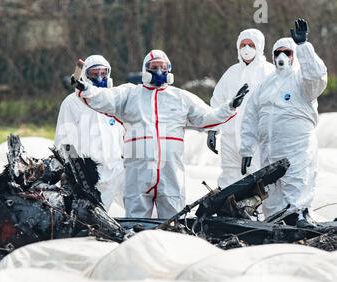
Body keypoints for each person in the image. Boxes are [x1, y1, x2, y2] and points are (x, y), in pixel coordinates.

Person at [73, 50, 249, 219]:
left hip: (170, 173)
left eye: (163, 67)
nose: (159, 71)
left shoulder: (181, 97)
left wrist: (230, 106)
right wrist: (85, 88)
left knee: (172, 223)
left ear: (169, 70)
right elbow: (105, 98)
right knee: (136, 223)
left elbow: (207, 117)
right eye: (154, 66)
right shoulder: (130, 94)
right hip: (138, 171)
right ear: (145, 70)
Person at [239, 19, 328, 227]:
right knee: (271, 189)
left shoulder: (302, 81)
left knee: (297, 179)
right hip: (269, 148)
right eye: (277, 52)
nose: (281, 57)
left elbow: (317, 76)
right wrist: (246, 149)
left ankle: (298, 216)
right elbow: (251, 116)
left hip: (296, 146)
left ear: (293, 56)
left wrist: (303, 46)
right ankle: (275, 223)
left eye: (286, 52)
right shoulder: (265, 85)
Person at [55, 55, 125, 211]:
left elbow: (124, 135)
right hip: (92, 175)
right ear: (85, 76)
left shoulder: (114, 100)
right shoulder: (72, 103)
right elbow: (63, 141)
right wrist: (70, 172)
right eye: (94, 74)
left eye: (103, 73)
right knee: (95, 219)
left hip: (118, 170)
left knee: (139, 209)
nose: (100, 77)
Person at [207, 29, 275, 188]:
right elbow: (217, 102)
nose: (246, 48)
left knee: (257, 178)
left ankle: (257, 213)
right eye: (243, 44)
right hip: (230, 138)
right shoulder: (231, 72)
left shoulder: (269, 72)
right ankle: (228, 211)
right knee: (229, 178)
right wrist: (212, 129)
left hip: (258, 140)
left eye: (251, 44)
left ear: (259, 46)